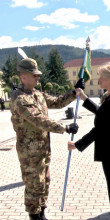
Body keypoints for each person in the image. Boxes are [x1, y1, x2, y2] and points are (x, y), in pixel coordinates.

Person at [10, 58, 82, 220]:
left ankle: (41, 212)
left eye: (37, 75)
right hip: (29, 152)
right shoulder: (19, 98)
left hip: (43, 148)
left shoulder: (37, 94)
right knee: (34, 185)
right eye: (34, 75)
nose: (38, 78)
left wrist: (74, 92)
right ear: (23, 77)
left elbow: (56, 102)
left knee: (45, 181)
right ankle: (34, 215)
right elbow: (38, 120)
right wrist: (64, 128)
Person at [68, 62, 110, 220]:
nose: (99, 81)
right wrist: (84, 98)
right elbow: (102, 113)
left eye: (101, 78)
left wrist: (77, 145)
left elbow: (98, 130)